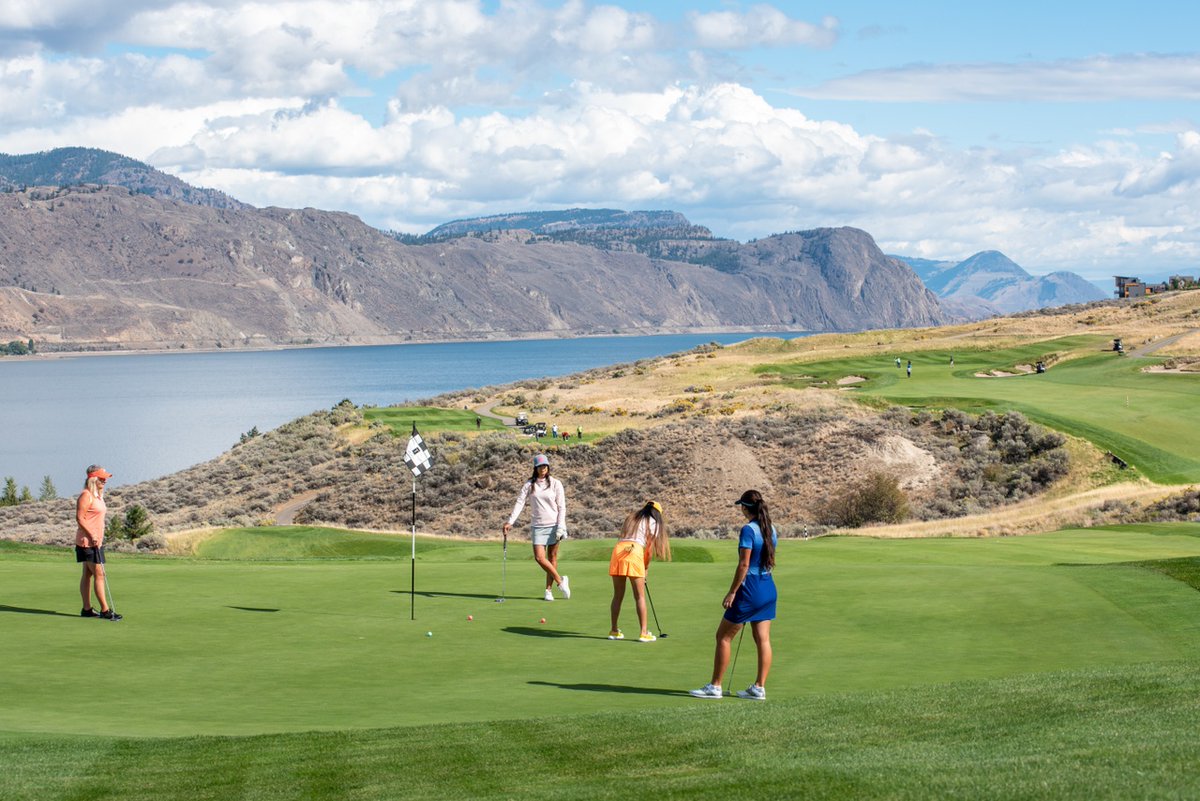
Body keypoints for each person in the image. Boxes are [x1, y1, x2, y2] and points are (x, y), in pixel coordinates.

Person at [690, 489, 777, 700]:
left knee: (723, 637)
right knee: (762, 639)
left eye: (742, 506)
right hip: (768, 587)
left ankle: (715, 686)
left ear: (746, 508)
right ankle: (759, 687)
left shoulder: (748, 530)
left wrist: (732, 592)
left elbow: (744, 564)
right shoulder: (771, 528)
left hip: (750, 589)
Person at [503, 454, 571, 601]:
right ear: (535, 468)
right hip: (537, 526)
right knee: (539, 558)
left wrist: (561, 526)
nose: (543, 469)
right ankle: (561, 581)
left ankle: (548, 591)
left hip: (554, 525)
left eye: (545, 466)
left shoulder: (555, 483)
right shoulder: (529, 484)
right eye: (540, 466)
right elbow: (520, 503)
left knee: (552, 557)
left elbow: (562, 507)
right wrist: (511, 521)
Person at [608, 501, 671, 642]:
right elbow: (648, 550)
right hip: (635, 551)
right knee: (639, 597)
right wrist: (646, 568)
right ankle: (643, 632)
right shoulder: (654, 522)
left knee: (617, 595)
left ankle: (614, 630)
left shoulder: (631, 518)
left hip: (618, 551)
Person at [76, 465, 122, 620]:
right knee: (99, 574)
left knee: (88, 574)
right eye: (102, 478)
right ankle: (105, 610)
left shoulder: (98, 496)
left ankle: (86, 609)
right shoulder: (86, 495)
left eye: (105, 478)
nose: (104, 481)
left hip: (96, 542)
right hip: (87, 542)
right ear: (93, 479)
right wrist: (92, 534)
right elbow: (80, 518)